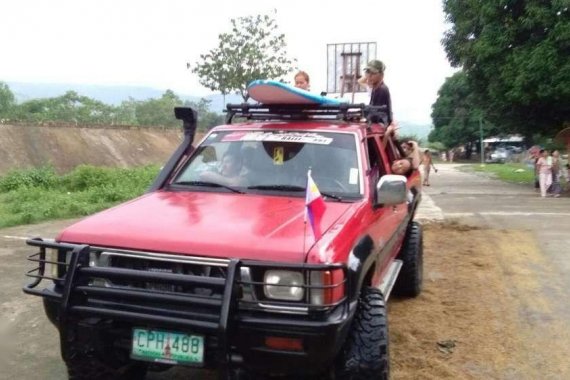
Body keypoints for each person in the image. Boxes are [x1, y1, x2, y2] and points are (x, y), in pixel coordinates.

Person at [362, 60, 393, 126]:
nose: (369, 76)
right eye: (367, 72)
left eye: (373, 73)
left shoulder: (382, 90)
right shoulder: (375, 89)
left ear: (381, 75)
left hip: (382, 129)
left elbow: (377, 115)